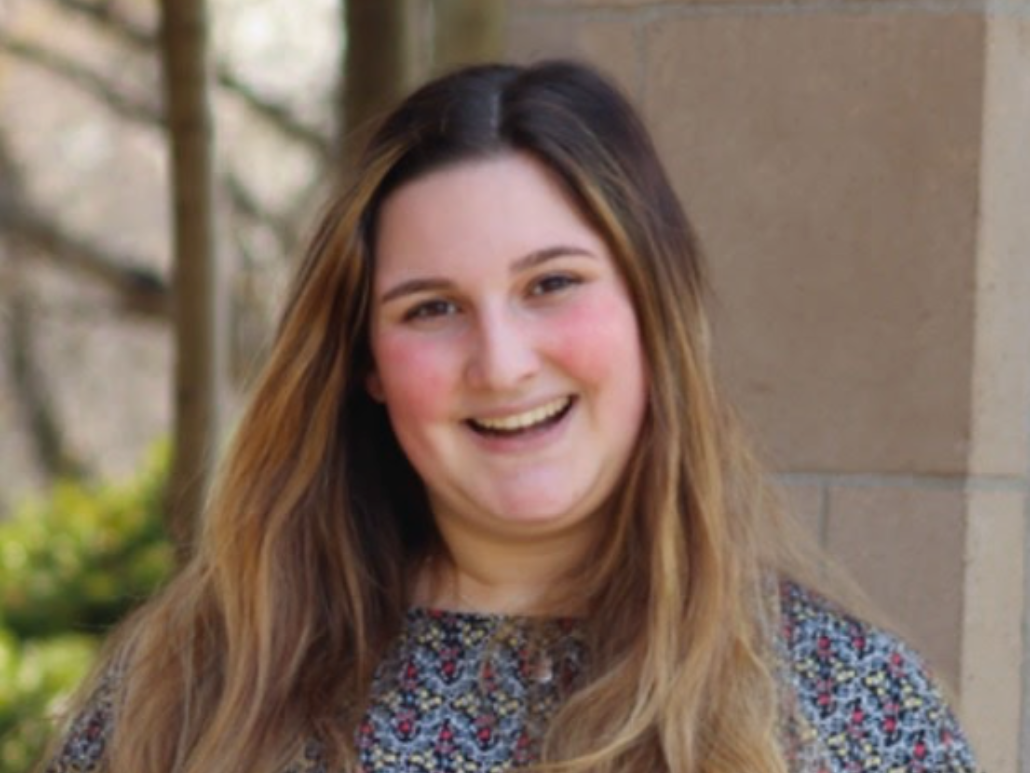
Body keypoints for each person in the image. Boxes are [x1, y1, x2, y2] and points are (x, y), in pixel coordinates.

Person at [41, 60, 978, 773]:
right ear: (366, 360)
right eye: (431, 308)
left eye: (552, 283)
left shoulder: (844, 709)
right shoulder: (192, 694)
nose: (501, 362)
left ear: (656, 309)